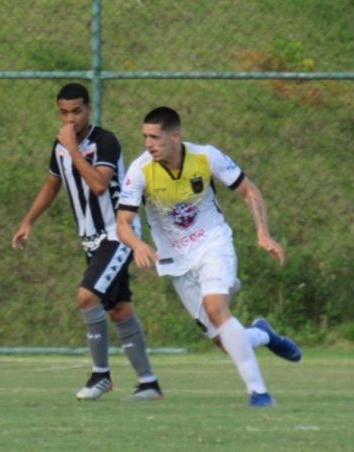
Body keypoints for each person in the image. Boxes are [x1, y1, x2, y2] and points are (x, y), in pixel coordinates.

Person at [116, 106, 301, 408]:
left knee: (216, 308)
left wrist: (263, 233)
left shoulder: (206, 156)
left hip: (213, 243)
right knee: (226, 341)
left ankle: (259, 394)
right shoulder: (140, 170)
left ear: (175, 136)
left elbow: (249, 192)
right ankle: (263, 335)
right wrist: (137, 244)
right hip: (176, 262)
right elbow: (123, 221)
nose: (148, 144)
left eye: (155, 137)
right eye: (145, 137)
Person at [12, 82, 163, 401]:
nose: (70, 120)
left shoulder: (106, 141)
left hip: (119, 234)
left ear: (89, 110)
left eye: (77, 111)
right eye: (64, 113)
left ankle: (100, 375)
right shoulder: (60, 147)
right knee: (120, 309)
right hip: (91, 241)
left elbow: (98, 184)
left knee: (86, 297)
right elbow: (52, 186)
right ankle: (149, 383)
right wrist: (27, 222)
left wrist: (73, 149)